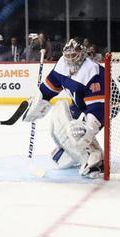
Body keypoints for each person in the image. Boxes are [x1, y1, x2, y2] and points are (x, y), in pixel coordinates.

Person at [22, 37, 111, 178]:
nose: (70, 59)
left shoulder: (92, 72)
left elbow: (97, 109)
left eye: (73, 55)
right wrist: (38, 104)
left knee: (78, 131)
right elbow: (49, 88)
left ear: (82, 54)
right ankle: (73, 150)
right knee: (58, 120)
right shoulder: (62, 64)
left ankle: (96, 160)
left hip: (107, 103)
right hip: (81, 103)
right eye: (67, 56)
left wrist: (87, 132)